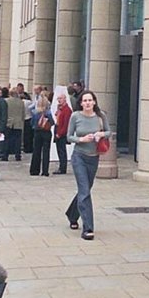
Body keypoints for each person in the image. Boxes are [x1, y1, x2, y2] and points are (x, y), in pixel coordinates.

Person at [65, 90, 110, 240]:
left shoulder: (100, 116)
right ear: (81, 103)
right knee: (84, 190)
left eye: (90, 100)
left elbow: (109, 132)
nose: (87, 103)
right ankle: (88, 228)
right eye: (84, 101)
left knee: (85, 190)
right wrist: (81, 139)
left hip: (94, 157)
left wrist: (100, 134)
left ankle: (72, 214)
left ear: (94, 102)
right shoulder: (75, 116)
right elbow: (69, 136)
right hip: (79, 157)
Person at [30, 89, 53, 176]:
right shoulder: (48, 113)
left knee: (36, 151)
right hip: (46, 132)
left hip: (37, 132)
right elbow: (52, 122)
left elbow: (31, 123)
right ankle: (45, 171)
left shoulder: (35, 113)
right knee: (46, 152)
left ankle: (34, 170)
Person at [53, 91, 72, 174]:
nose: (59, 100)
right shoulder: (60, 109)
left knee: (62, 150)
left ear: (65, 99)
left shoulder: (67, 110)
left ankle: (63, 168)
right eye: (58, 98)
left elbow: (66, 124)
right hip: (58, 129)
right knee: (59, 150)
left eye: (60, 98)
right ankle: (61, 166)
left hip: (62, 132)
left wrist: (59, 133)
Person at [5, 88, 25, 161]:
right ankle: (17, 155)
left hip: (9, 122)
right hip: (18, 123)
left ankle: (5, 155)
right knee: (18, 141)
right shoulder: (21, 102)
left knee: (7, 140)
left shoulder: (6, 101)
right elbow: (23, 113)